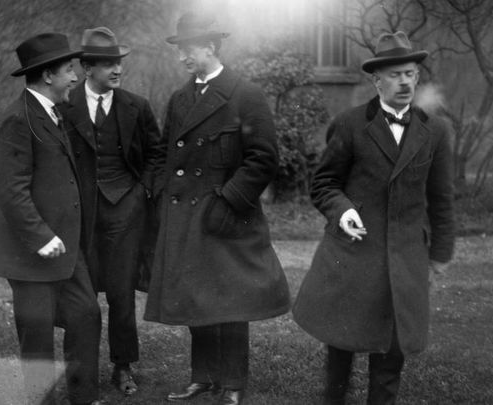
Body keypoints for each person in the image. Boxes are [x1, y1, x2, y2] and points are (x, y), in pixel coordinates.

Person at [292, 31, 455, 405]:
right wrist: (343, 210)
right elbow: (324, 184)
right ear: (376, 80)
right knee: (341, 346)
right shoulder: (349, 125)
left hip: (404, 259)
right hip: (353, 255)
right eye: (395, 75)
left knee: (391, 352)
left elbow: (442, 199)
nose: (404, 82)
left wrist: (441, 253)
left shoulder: (436, 131)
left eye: (410, 74)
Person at [143, 12, 291, 405]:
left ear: (209, 47)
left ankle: (234, 384)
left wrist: (228, 200)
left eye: (187, 49)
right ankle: (203, 378)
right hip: (186, 218)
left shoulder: (246, 95)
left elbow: (262, 159)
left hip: (226, 217)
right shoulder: (179, 99)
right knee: (197, 300)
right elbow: (161, 153)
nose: (182, 58)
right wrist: (161, 192)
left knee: (230, 302)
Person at [0, 33, 103, 405]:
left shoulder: (52, 112)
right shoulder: (17, 120)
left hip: (65, 249)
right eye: (69, 70)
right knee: (36, 338)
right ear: (48, 75)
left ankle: (83, 398)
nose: (75, 78)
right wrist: (41, 237)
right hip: (31, 253)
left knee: (86, 316)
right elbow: (9, 189)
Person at [61, 27, 164, 397]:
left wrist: (143, 190)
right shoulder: (64, 105)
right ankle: (80, 375)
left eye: (119, 62)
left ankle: (123, 367)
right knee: (80, 297)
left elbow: (156, 153)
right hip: (82, 215)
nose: (117, 70)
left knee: (121, 294)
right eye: (107, 64)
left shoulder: (136, 106)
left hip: (126, 212)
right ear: (87, 68)